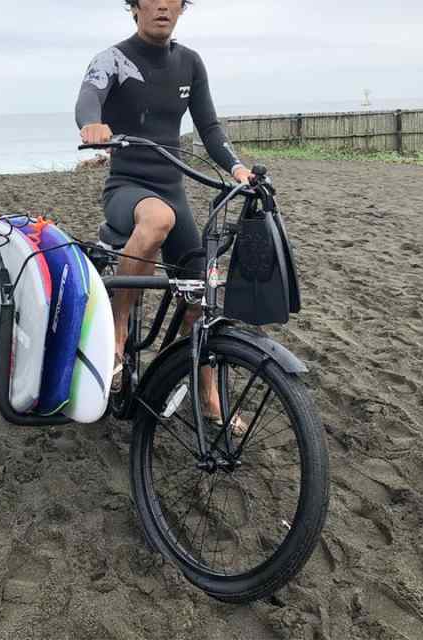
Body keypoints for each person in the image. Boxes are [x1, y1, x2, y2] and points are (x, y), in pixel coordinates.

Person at [75, 0, 253, 422]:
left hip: (172, 192)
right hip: (128, 188)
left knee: (201, 295)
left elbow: (208, 127)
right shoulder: (113, 59)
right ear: (135, 6)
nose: (163, 7)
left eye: (173, 0)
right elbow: (88, 98)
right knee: (158, 219)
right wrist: (92, 124)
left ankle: (207, 395)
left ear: (181, 8)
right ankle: (117, 333)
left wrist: (237, 167)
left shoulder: (189, 62)